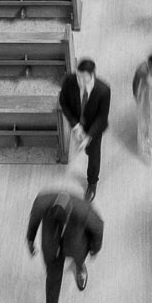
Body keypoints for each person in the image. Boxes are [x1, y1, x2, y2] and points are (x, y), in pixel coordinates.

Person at [26, 189, 104, 303]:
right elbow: (34, 220)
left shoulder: (84, 211)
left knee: (78, 256)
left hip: (76, 242)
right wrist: (30, 239)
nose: (60, 224)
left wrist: (95, 248)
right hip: (52, 245)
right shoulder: (41, 203)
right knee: (53, 277)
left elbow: (98, 228)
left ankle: (79, 266)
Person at [58, 59, 111, 202]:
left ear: (92, 74)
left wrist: (89, 137)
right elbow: (63, 101)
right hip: (77, 123)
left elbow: (102, 117)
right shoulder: (69, 81)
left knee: (93, 155)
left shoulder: (103, 90)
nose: (79, 80)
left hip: (94, 128)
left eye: (83, 77)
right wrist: (75, 126)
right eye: (78, 76)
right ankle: (83, 144)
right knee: (81, 146)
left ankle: (92, 182)